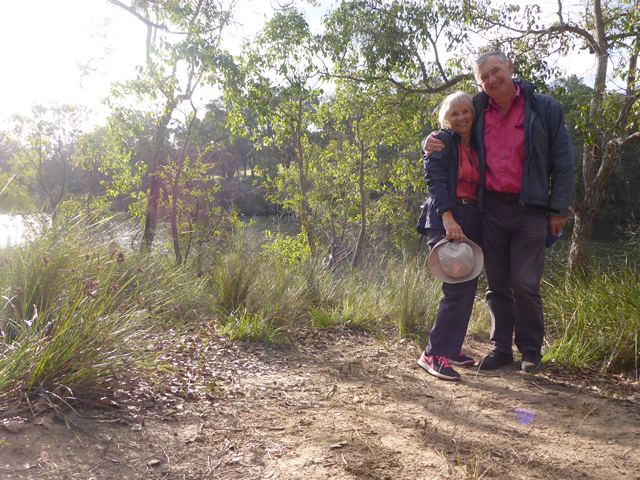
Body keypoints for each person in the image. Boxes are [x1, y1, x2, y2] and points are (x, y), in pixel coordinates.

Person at [425, 51, 574, 373]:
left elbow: (563, 161)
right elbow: (453, 126)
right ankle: (501, 348)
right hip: (490, 209)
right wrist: (430, 141)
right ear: (480, 83)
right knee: (497, 283)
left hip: (530, 209)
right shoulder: (478, 108)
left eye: (496, 71)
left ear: (510, 68)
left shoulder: (543, 108)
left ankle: (531, 351)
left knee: (525, 283)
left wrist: (558, 209)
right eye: (484, 77)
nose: (492, 80)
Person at [416, 91, 483, 381]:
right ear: (446, 118)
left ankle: (451, 349)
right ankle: (433, 354)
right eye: (454, 113)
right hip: (447, 217)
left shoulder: (478, 144)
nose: (461, 117)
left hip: (470, 217)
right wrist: (447, 218)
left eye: (466, 111)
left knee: (467, 286)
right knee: (455, 288)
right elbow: (434, 180)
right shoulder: (442, 140)